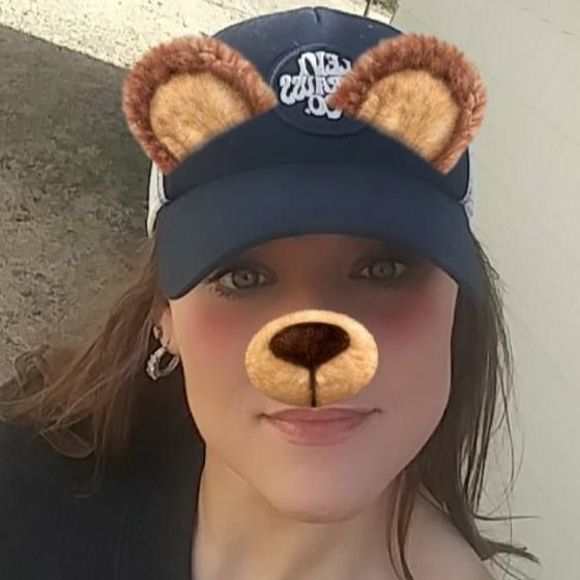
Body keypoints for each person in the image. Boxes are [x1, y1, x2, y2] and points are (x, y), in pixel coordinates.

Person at [0, 6, 538, 580]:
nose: (314, 342)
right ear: (164, 312)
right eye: (243, 277)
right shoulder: (22, 496)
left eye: (383, 269)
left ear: (458, 300)